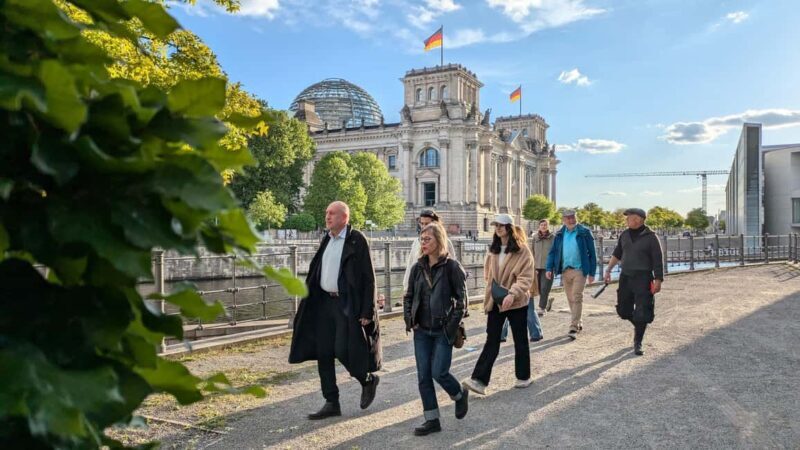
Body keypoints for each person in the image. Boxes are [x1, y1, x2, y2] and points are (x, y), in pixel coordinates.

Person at [288, 201, 381, 420]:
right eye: (326, 213)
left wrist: (368, 310)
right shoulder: (327, 238)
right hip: (323, 303)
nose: (327, 217)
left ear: (344, 217)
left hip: (345, 303)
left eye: (332, 213)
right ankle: (331, 401)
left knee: (341, 349)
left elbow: (368, 277)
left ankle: (367, 379)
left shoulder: (356, 240)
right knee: (323, 353)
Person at [404, 222, 469, 436]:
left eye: (427, 239)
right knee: (423, 376)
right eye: (422, 239)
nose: (423, 243)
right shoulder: (417, 268)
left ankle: (459, 394)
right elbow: (408, 296)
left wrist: (450, 326)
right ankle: (432, 420)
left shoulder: (452, 267)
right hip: (421, 330)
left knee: (438, 372)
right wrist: (408, 319)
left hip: (443, 329)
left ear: (439, 240)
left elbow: (462, 301)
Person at [462, 214, 534, 395]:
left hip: (516, 301)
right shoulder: (493, 250)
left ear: (509, 227)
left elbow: (526, 277)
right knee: (492, 339)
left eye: (501, 225)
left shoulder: (522, 250)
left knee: (520, 339)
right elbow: (488, 275)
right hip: (496, 299)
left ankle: (523, 376)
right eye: (496, 225)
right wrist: (495, 291)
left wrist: (512, 292)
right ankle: (479, 380)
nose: (498, 228)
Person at [603, 208, 663, 356]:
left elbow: (657, 260)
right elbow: (617, 254)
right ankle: (639, 324)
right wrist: (608, 270)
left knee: (642, 311)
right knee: (623, 311)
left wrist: (658, 280)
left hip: (643, 278)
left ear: (638, 219)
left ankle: (638, 342)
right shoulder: (624, 235)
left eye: (628, 217)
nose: (626, 220)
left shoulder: (651, 237)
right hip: (626, 277)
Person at [545, 210, 597, 340]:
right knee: (570, 298)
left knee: (577, 296)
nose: (571, 220)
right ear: (563, 220)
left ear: (576, 217)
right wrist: (548, 268)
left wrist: (592, 273)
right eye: (568, 218)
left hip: (580, 270)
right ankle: (578, 321)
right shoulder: (559, 234)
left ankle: (573, 326)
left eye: (572, 217)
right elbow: (553, 252)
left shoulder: (584, 232)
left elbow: (593, 253)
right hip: (565, 270)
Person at [499, 225, 542, 342]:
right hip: (518, 288)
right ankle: (536, 333)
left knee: (512, 310)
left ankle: (535, 332)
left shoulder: (522, 251)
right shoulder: (519, 251)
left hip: (522, 288)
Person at [403, 209, 455, 294]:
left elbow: (452, 264)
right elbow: (410, 265)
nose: (423, 226)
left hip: (439, 287)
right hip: (419, 287)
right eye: (421, 223)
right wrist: (406, 288)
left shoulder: (446, 242)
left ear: (435, 224)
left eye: (426, 224)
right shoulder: (416, 242)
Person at [532, 219, 555, 316]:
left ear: (548, 226)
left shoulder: (553, 237)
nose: (544, 226)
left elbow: (555, 251)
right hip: (537, 266)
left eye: (545, 225)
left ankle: (542, 308)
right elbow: (532, 251)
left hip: (548, 267)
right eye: (542, 225)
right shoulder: (535, 237)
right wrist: (533, 266)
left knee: (545, 288)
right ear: (539, 226)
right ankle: (547, 302)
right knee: (539, 288)